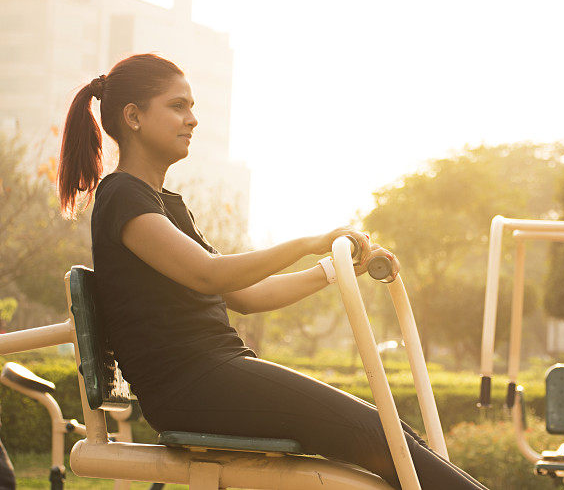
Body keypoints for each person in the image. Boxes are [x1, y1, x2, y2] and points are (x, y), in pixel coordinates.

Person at [56, 53, 488, 490]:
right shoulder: (122, 197)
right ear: (133, 116)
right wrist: (305, 244)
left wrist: (332, 270)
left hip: (214, 374)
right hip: (191, 387)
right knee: (377, 434)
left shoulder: (164, 203)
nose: (193, 120)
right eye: (178, 106)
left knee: (392, 436)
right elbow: (210, 274)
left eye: (192, 107)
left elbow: (246, 296)